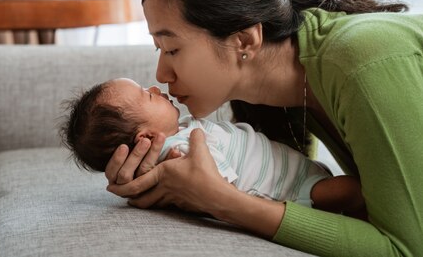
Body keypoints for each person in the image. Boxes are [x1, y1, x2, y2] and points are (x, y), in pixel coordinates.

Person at [103, 0, 423, 256]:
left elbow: (406, 248)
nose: (160, 74)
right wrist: (161, 174)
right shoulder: (277, 89)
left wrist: (223, 201)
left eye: (171, 48)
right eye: (158, 47)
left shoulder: (361, 61)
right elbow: (295, 192)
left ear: (244, 40)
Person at [60, 77, 366, 217]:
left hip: (294, 173)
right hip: (291, 190)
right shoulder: (182, 150)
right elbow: (219, 186)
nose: (156, 85)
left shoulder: (184, 131)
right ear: (144, 138)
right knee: (356, 193)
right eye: (147, 95)